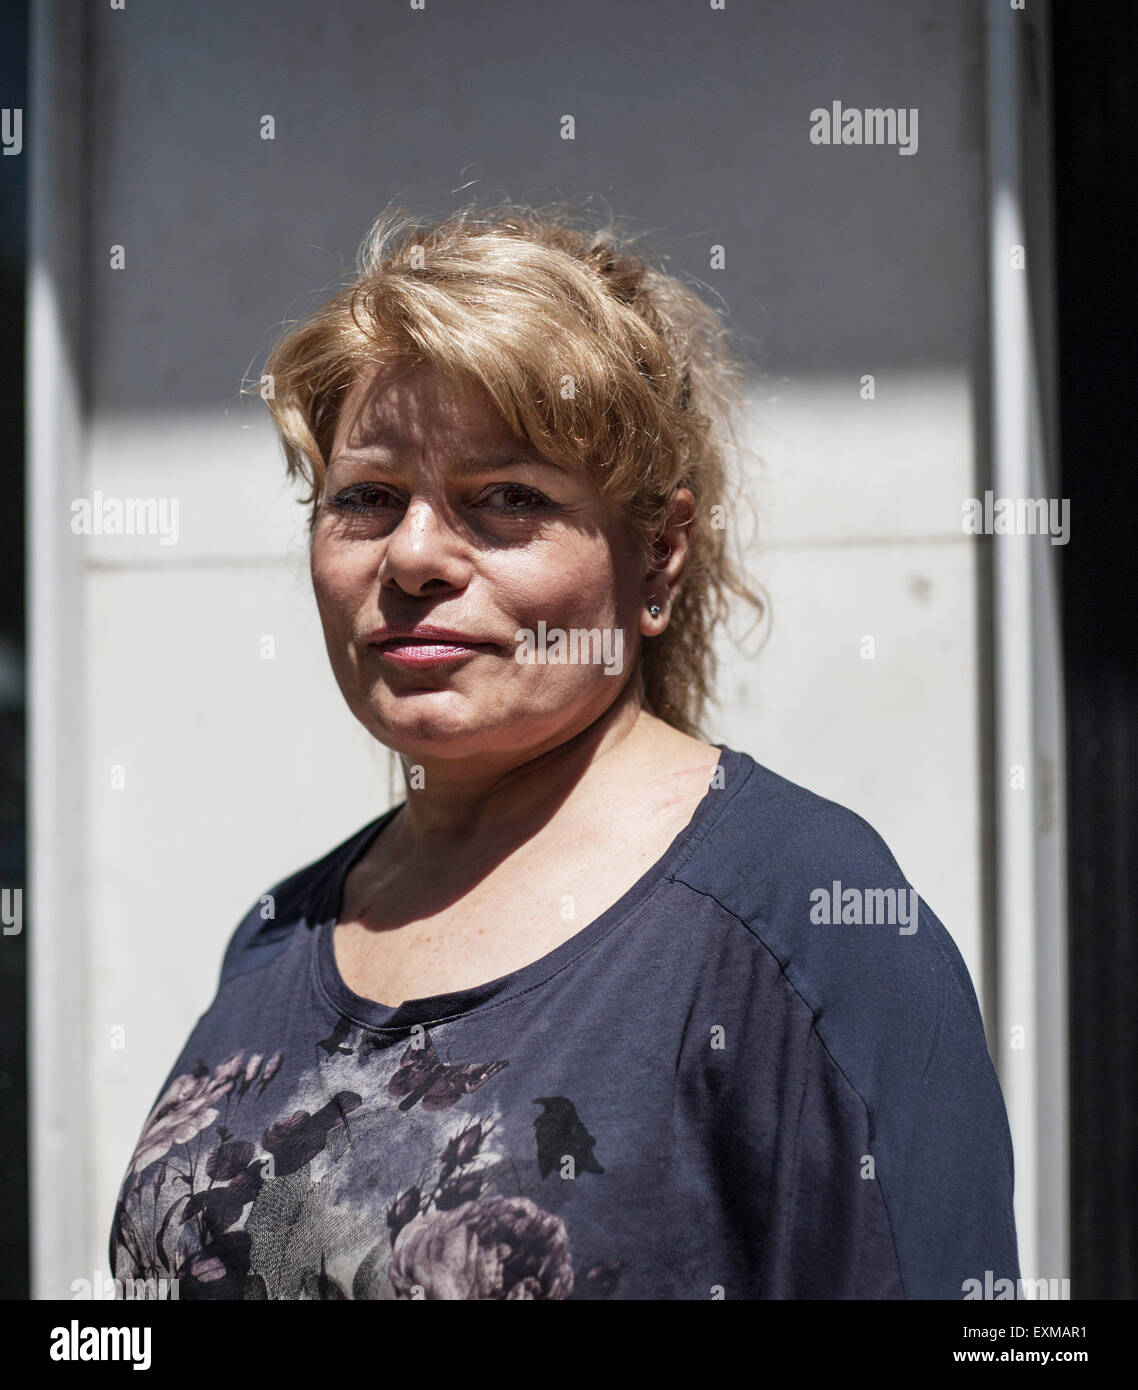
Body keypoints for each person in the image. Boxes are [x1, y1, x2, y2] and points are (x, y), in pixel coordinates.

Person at [108, 202, 1019, 1300]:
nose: (413, 555)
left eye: (506, 499)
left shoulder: (803, 917)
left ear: (659, 555)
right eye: (366, 497)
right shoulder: (275, 940)